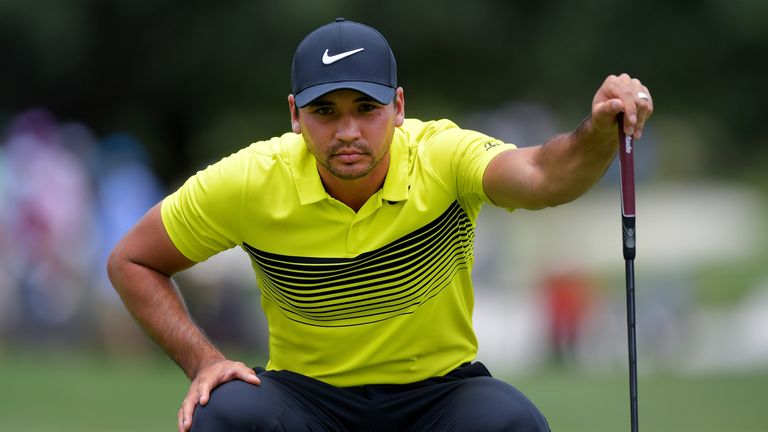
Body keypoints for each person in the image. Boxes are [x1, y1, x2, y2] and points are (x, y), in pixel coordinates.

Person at [108, 18, 653, 432]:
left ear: (397, 106)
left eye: (365, 108)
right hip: (306, 397)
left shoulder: (441, 155)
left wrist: (598, 133)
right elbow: (131, 260)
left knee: (510, 421)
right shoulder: (251, 179)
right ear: (295, 115)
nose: (348, 131)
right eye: (325, 112)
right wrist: (204, 361)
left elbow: (541, 174)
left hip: (438, 394)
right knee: (220, 414)